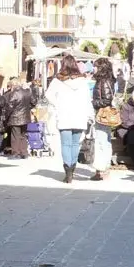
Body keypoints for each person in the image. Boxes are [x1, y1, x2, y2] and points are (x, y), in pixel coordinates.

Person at [45, 55, 94, 183]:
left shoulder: (58, 80)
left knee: (65, 144)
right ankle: (72, 169)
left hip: (64, 115)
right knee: (75, 144)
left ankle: (68, 172)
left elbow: (48, 95)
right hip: (79, 115)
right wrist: (90, 115)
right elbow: (87, 100)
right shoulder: (83, 81)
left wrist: (58, 103)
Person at [91, 57, 116, 181]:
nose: (93, 68)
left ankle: (102, 169)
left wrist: (94, 103)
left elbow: (107, 100)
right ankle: (102, 168)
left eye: (95, 66)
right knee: (104, 140)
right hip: (102, 113)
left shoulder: (104, 81)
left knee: (102, 141)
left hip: (103, 114)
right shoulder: (105, 80)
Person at [3, 78, 33, 159]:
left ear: (13, 85)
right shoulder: (27, 92)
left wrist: (6, 116)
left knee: (15, 136)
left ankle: (15, 153)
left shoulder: (15, 93)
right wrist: (27, 109)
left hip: (15, 118)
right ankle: (24, 153)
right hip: (25, 117)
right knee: (23, 135)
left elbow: (10, 106)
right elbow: (33, 102)